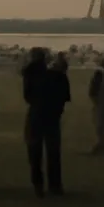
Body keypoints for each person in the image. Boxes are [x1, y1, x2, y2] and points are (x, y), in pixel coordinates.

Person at [22, 47, 72, 196]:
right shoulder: (58, 76)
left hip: (36, 114)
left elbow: (27, 97)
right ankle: (55, 185)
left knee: (34, 151)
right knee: (53, 152)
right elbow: (64, 97)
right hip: (52, 116)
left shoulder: (30, 75)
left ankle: (38, 184)